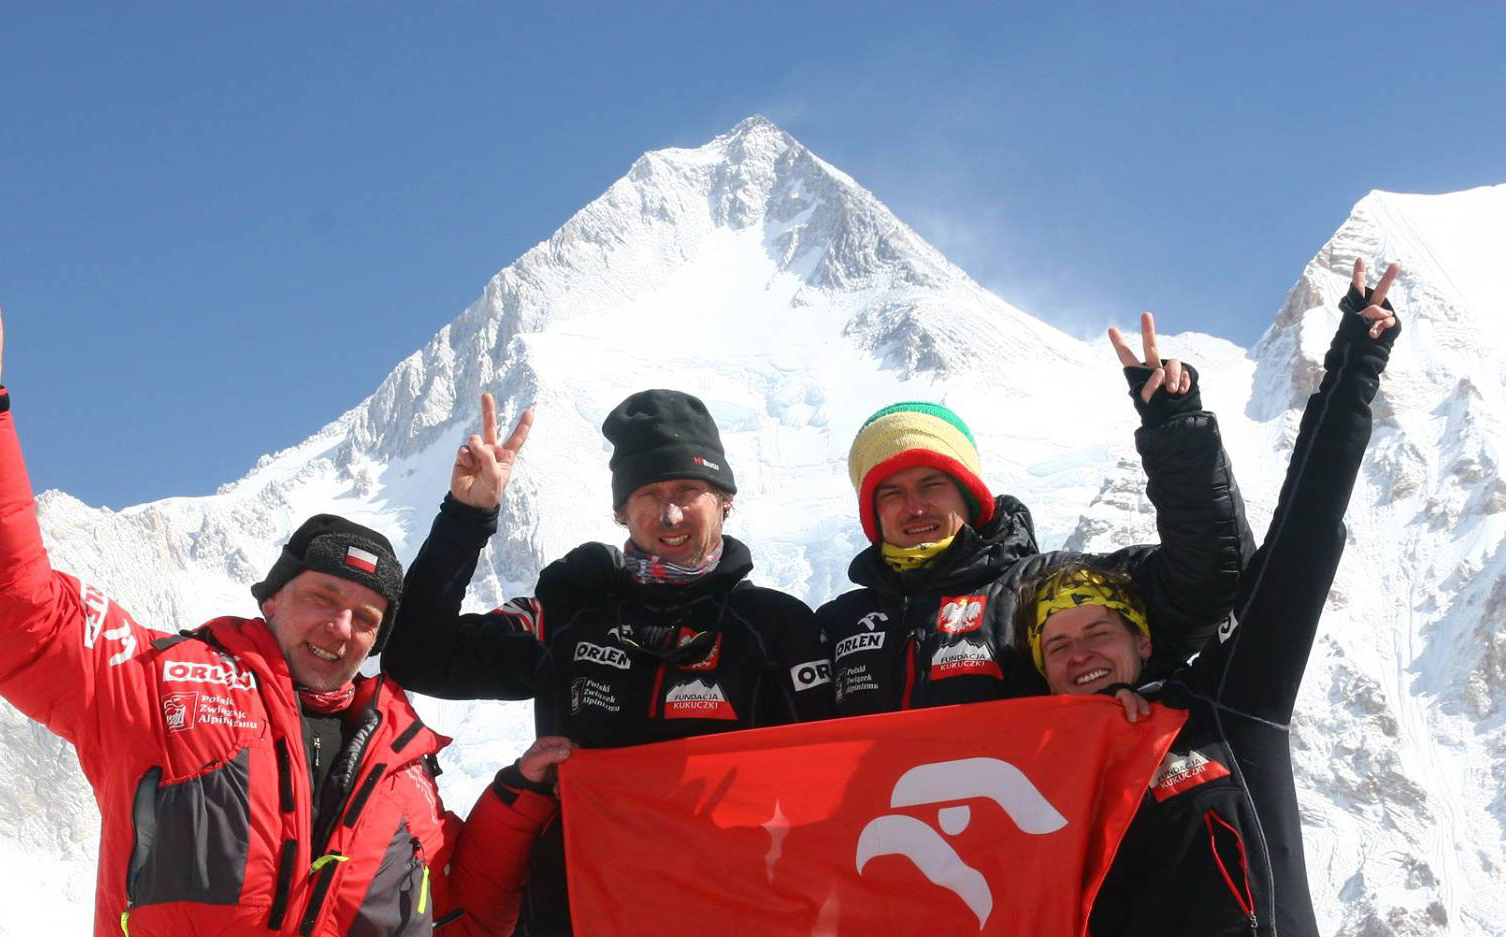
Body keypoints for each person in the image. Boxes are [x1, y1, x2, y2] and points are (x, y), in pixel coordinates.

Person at [0, 297, 566, 937]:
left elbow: (464, 912)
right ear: (272, 599)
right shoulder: (160, 682)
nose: (341, 627)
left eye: (366, 618)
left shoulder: (403, 761)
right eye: (323, 598)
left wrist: (521, 798)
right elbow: (10, 607)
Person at [1017, 261, 1403, 936]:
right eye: (1058, 646)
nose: (1080, 655)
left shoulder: (1224, 703)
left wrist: (1354, 363)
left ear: (1143, 641)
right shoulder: (1028, 780)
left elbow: (1303, 532)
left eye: (1097, 632)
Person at [382, 388, 833, 935]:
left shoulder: (775, 627)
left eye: (687, 490)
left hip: (728, 915)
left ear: (724, 500)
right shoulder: (571, 613)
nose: (669, 513)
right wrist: (467, 517)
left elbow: (830, 792)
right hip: (574, 916)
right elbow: (419, 657)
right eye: (648, 494)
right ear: (621, 512)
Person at [821, 313, 1249, 716]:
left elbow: (1209, 579)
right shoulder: (837, 624)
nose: (915, 507)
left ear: (970, 496)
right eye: (891, 493)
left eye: (932, 485)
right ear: (871, 512)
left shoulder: (1043, 586)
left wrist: (1175, 430)